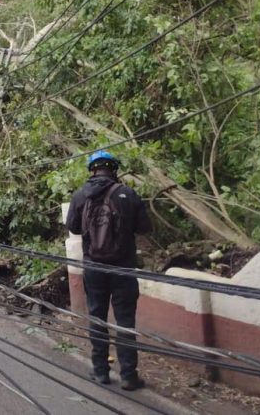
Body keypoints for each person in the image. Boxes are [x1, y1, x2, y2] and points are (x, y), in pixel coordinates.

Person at [66, 150, 152, 391]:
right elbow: (145, 228)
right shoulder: (128, 194)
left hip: (93, 268)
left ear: (92, 170)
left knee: (97, 317)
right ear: (114, 169)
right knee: (125, 321)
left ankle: (101, 371)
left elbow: (73, 228)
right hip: (123, 269)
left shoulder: (80, 196)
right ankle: (128, 376)